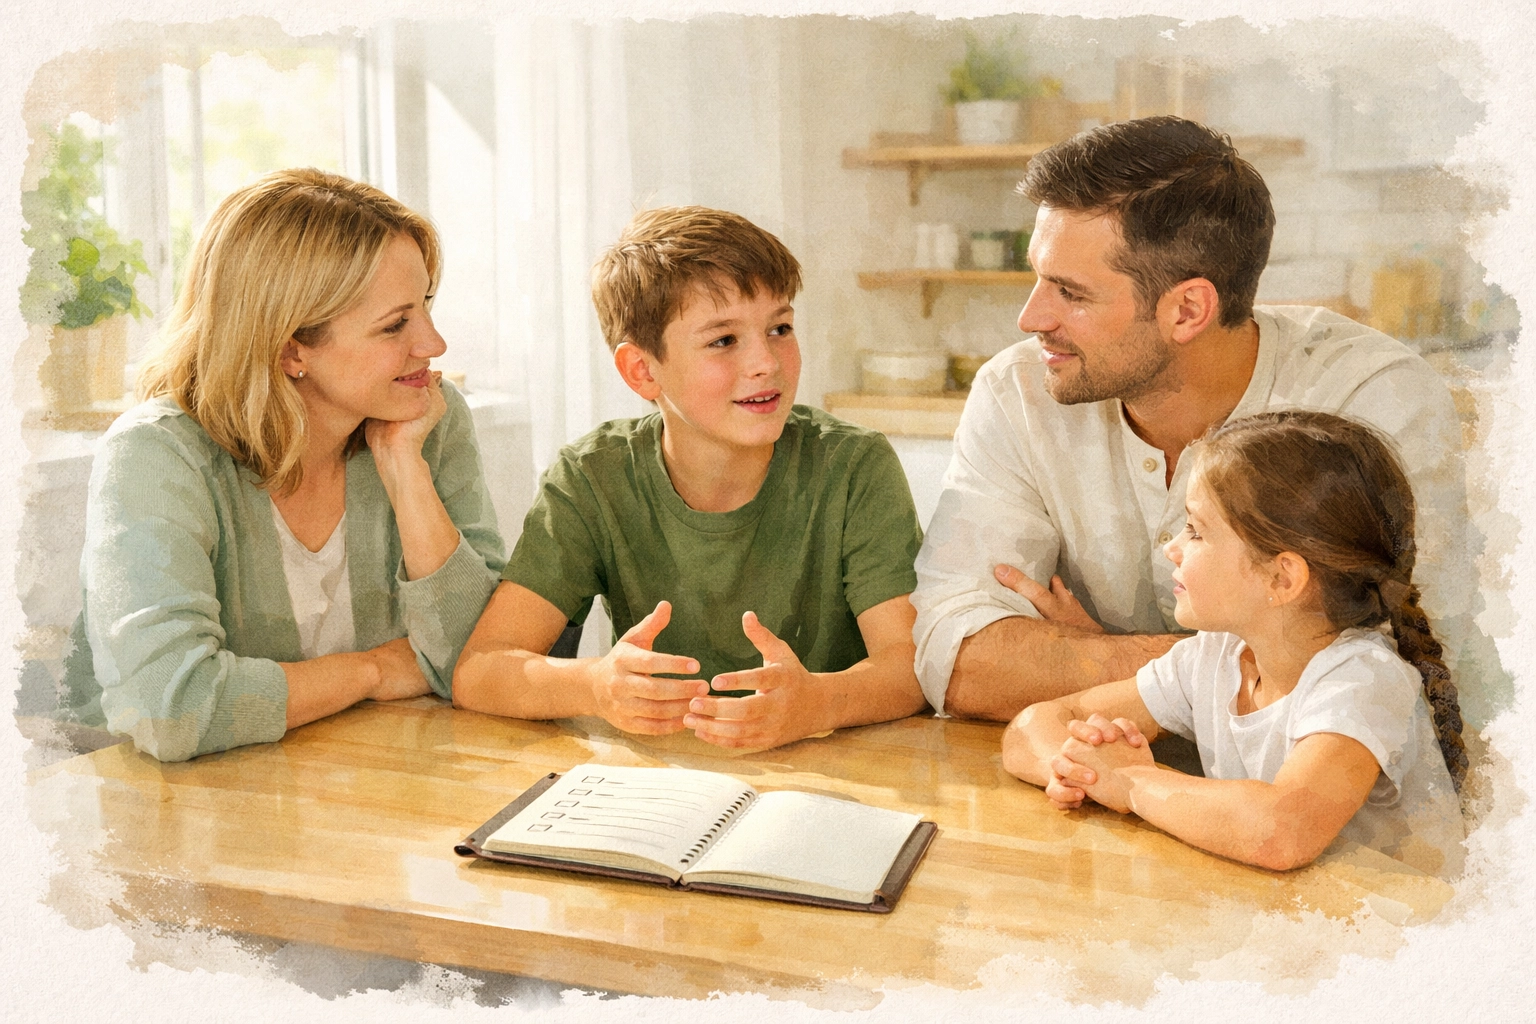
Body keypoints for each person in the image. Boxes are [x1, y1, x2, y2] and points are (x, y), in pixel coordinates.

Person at [912, 116, 1473, 722]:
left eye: (1071, 293)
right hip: (1089, 786)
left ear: (1187, 308)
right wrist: (1250, 661)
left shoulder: (1370, 397)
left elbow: (1402, 673)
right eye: (1037, 278)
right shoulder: (1016, 390)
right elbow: (956, 659)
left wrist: (1090, 655)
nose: (1031, 318)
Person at [61, 169, 506, 762]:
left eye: (425, 304)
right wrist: (375, 671)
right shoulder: (156, 456)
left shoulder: (427, 418)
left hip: (367, 792)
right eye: (395, 324)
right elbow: (171, 709)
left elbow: (487, 659)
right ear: (291, 348)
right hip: (173, 810)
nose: (434, 343)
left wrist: (406, 470)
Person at [453, 206, 927, 749]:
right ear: (642, 370)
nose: (766, 362)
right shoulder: (592, 477)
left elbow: (912, 669)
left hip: (833, 773)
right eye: (724, 340)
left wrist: (818, 703)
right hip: (663, 785)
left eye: (780, 328)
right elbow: (481, 670)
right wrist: (595, 684)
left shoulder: (854, 466)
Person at [1001, 411, 1467, 876]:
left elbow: (1282, 831)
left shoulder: (1363, 681)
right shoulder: (1214, 657)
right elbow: (1033, 725)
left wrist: (1130, 782)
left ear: (1282, 577)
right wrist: (1078, 771)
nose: (1173, 548)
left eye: (1196, 531)